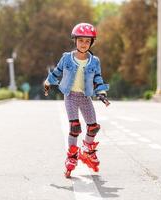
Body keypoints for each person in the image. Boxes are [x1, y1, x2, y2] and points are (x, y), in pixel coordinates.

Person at [44, 23, 109, 178]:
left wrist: (102, 93)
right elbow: (57, 71)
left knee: (93, 127)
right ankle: (72, 157)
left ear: (91, 43)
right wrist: (48, 82)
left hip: (86, 97)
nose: (84, 44)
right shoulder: (67, 57)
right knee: (75, 127)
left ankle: (87, 152)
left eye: (87, 41)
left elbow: (98, 78)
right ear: (75, 41)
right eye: (81, 40)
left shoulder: (95, 61)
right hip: (71, 96)